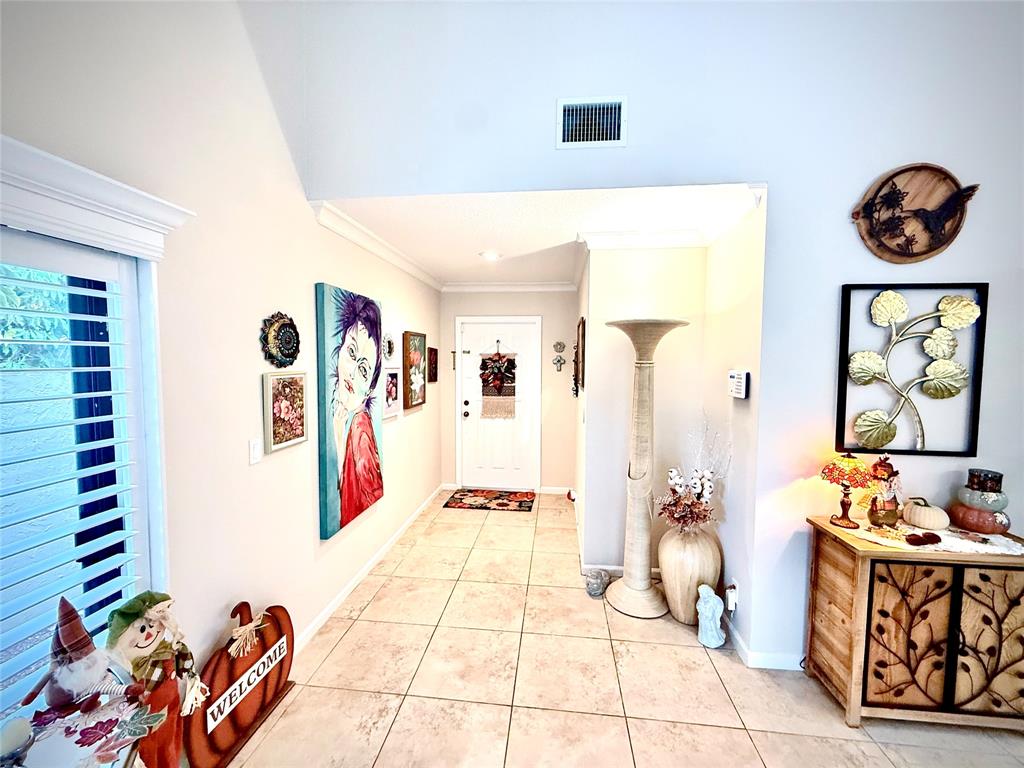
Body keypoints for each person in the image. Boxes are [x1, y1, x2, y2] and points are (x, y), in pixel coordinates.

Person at [331, 290, 384, 527]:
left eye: (363, 370)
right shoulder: (349, 422)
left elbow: (366, 493)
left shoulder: (361, 428)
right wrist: (338, 432)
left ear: (370, 388)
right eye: (351, 352)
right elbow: (346, 488)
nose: (352, 373)